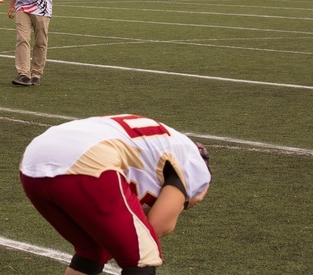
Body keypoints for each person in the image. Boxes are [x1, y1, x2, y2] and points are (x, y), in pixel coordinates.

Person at [20, 114, 212, 275]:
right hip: (86, 161)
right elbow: (156, 225)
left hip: (32, 163)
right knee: (143, 255)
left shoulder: (163, 145)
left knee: (93, 250)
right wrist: (185, 202)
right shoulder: (192, 164)